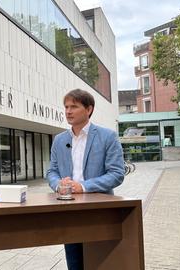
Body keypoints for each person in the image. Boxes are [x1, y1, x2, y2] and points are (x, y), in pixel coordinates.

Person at [46, 89, 124, 270]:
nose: (68, 111)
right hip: (69, 211)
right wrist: (59, 184)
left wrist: (83, 186)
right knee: (74, 263)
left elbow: (116, 173)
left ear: (88, 109)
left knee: (100, 262)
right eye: (66, 107)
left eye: (74, 106)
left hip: (99, 211)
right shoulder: (59, 140)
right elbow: (51, 171)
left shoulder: (108, 136)